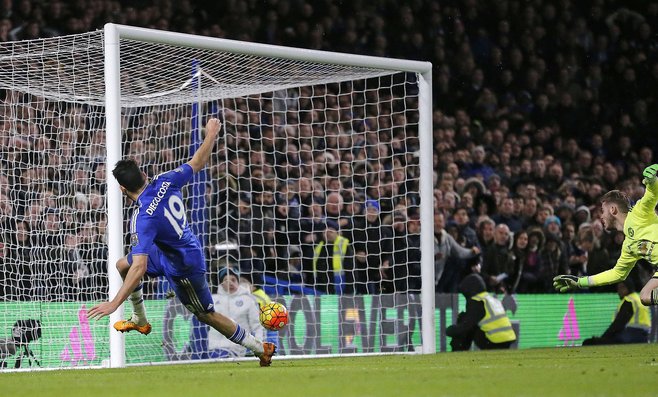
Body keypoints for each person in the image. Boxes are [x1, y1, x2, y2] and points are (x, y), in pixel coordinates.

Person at [87, 118, 276, 367]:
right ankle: (140, 320)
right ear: (143, 174)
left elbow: (140, 268)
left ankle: (260, 347)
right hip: (169, 252)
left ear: (122, 190)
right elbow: (197, 162)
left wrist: (114, 303)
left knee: (206, 314)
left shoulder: (142, 217)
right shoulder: (166, 180)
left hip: (185, 266)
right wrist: (211, 133)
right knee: (123, 264)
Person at [554, 164, 658, 307]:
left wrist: (652, 181)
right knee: (645, 296)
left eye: (603, 211)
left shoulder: (639, 212)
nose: (601, 216)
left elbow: (652, 195)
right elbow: (616, 274)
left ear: (613, 210)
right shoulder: (629, 246)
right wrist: (580, 282)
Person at [191, 266, 266, 358]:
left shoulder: (248, 300)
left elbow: (257, 326)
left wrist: (260, 348)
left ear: (238, 282)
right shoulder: (212, 300)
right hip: (211, 348)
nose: (230, 283)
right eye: (226, 280)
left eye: (233, 280)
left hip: (235, 348)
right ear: (221, 284)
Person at [446, 273, 517, 351]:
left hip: (494, 341)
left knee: (464, 319)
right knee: (470, 321)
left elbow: (466, 326)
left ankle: (458, 351)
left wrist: (449, 330)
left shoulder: (477, 301)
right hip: (508, 340)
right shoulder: (491, 299)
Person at [582, 278, 650, 346]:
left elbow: (618, 324)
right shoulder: (638, 299)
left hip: (630, 335)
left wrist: (603, 338)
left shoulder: (629, 301)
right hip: (644, 336)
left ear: (628, 287)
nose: (619, 291)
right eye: (618, 288)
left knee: (589, 342)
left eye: (622, 288)